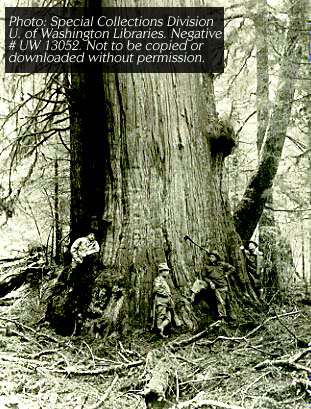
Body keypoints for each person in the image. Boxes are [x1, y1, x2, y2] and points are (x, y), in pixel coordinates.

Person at [195, 250, 235, 320]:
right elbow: (204, 276)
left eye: (213, 257)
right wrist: (210, 282)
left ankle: (227, 317)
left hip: (223, 286)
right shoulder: (207, 267)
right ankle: (222, 317)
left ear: (216, 258)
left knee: (224, 301)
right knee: (219, 301)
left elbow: (232, 268)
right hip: (214, 287)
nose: (211, 258)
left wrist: (226, 274)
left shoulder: (222, 264)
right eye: (210, 257)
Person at [153, 262, 173, 338]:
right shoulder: (158, 279)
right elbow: (156, 289)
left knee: (168, 318)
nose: (168, 272)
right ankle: (160, 332)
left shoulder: (163, 280)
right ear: (162, 271)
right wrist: (165, 293)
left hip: (167, 302)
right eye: (166, 271)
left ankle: (160, 328)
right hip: (161, 301)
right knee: (160, 316)